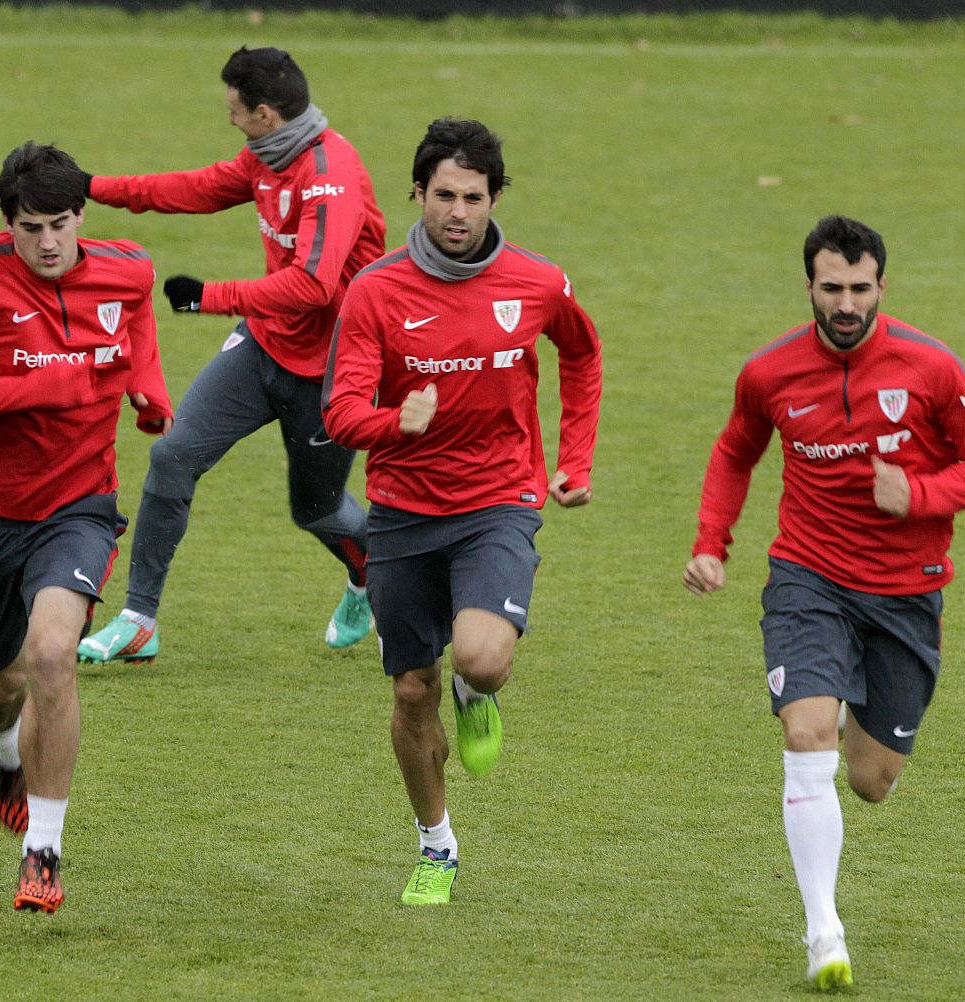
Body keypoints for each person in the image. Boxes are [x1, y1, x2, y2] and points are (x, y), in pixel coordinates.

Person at [683, 215, 965, 989]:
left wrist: (920, 495)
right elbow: (736, 449)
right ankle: (822, 929)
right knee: (807, 731)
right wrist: (710, 541)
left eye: (860, 289)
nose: (846, 304)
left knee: (870, 779)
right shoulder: (769, 374)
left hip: (905, 594)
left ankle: (859, 711)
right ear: (810, 287)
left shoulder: (931, 368)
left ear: (881, 288)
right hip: (809, 578)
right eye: (832, 288)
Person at [322, 118, 602, 907]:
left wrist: (573, 459)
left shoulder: (538, 282)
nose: (456, 212)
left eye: (472, 197)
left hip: (498, 500)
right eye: (442, 195)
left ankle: (478, 696)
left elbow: (581, 355)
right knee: (412, 690)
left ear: (494, 198)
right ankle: (436, 847)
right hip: (404, 511)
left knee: (479, 658)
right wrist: (392, 423)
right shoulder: (375, 291)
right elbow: (339, 410)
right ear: (417, 194)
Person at [0, 142, 172, 913]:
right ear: (7, 225)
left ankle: (43, 851)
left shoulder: (127, 269)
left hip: (78, 505)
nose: (48, 242)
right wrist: (34, 386)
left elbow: (137, 327)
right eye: (31, 228)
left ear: (81, 216)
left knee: (52, 654)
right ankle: (2, 755)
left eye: (60, 223)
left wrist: (147, 391)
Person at [76, 45, 386, 665]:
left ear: (267, 113)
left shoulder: (331, 176)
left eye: (237, 111)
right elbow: (198, 188)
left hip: (335, 371)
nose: (232, 121)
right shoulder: (268, 156)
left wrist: (207, 298)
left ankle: (376, 578)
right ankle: (140, 620)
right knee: (172, 457)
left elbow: (315, 286)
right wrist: (90, 188)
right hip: (265, 346)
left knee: (317, 511)